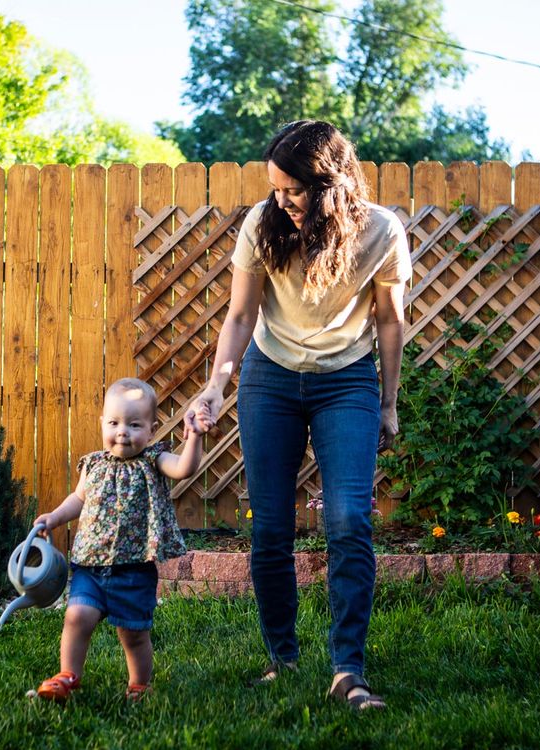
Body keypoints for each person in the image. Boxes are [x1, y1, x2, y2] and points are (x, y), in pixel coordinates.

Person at [185, 120, 411, 710]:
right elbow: (239, 317)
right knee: (271, 528)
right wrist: (216, 385)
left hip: (348, 380)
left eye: (294, 191)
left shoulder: (381, 231)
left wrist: (387, 402)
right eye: (276, 189)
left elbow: (390, 320)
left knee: (349, 521)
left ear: (331, 184)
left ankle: (347, 668)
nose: (281, 201)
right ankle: (282, 658)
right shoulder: (262, 224)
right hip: (271, 377)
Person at [33, 378, 207, 703]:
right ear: (102, 423)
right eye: (113, 423)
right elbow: (78, 498)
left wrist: (194, 437)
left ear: (152, 430)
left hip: (134, 569)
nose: (122, 431)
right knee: (76, 616)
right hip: (91, 564)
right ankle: (67, 677)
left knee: (133, 633)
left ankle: (139, 684)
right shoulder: (94, 463)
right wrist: (54, 517)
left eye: (134, 424)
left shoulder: (154, 461)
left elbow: (185, 468)